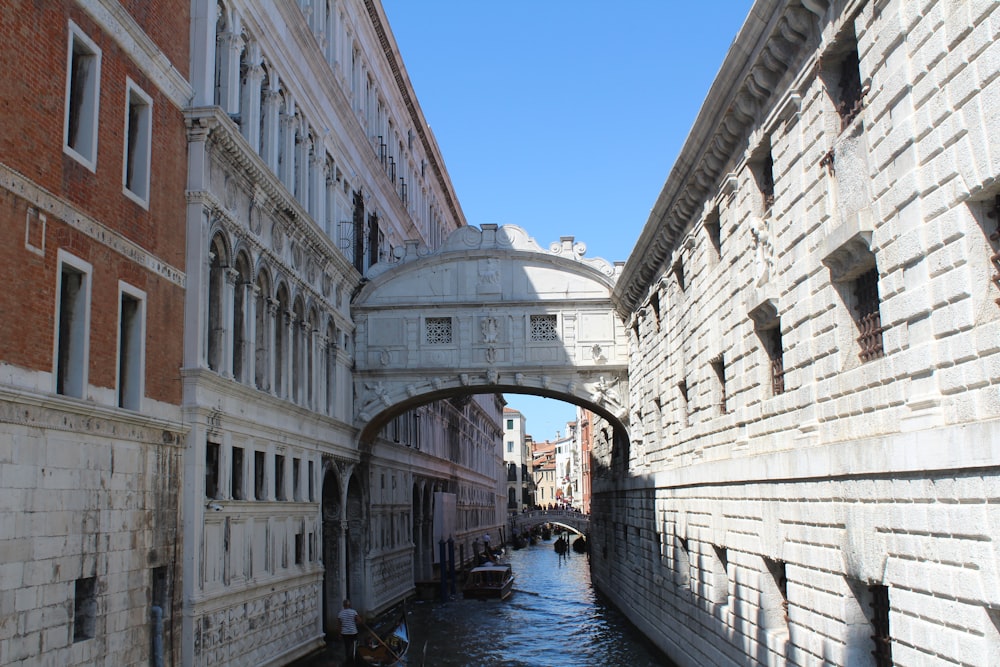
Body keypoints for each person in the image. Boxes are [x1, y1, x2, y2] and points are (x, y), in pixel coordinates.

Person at [337, 599, 362, 665]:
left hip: (345, 633)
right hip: (353, 632)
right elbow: (359, 621)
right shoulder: (353, 612)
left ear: (343, 605)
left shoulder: (340, 613)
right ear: (349, 605)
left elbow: (339, 625)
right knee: (354, 645)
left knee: (347, 646)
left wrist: (339, 634)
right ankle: (354, 658)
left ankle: (348, 659)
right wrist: (354, 623)